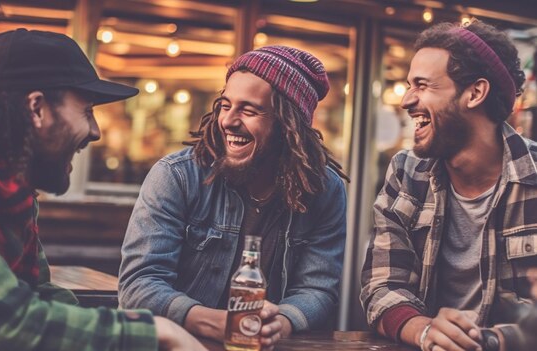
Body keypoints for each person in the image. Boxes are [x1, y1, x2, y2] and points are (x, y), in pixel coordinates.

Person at [0, 28, 205, 351]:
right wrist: (156, 332)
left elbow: (39, 294)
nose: (95, 132)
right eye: (87, 111)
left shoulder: (9, 187)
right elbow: (3, 321)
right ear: (36, 107)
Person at [118, 46, 348, 348]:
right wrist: (216, 322)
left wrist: (282, 322)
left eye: (249, 110)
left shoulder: (324, 189)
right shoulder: (177, 176)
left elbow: (318, 289)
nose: (228, 120)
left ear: (288, 124)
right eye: (225, 105)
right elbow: (138, 285)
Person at [360, 19, 532, 351]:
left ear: (475, 93)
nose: (406, 101)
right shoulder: (406, 172)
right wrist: (424, 331)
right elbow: (380, 288)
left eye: (422, 85)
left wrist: (482, 341)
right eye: (409, 85)